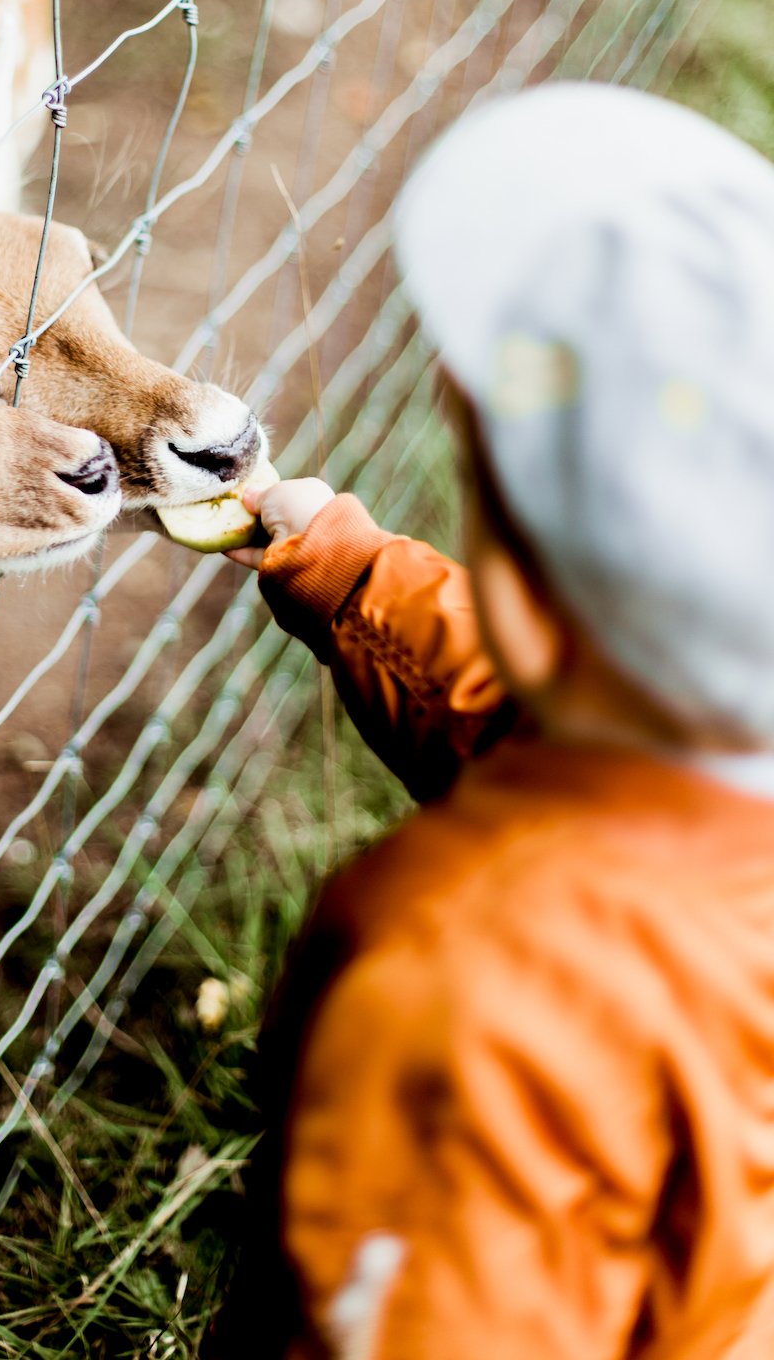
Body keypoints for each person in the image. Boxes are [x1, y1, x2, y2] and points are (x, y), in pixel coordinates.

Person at [222, 83, 774, 1359]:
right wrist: (343, 567)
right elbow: (533, 726)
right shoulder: (705, 772)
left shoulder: (474, 990)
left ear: (526, 579)